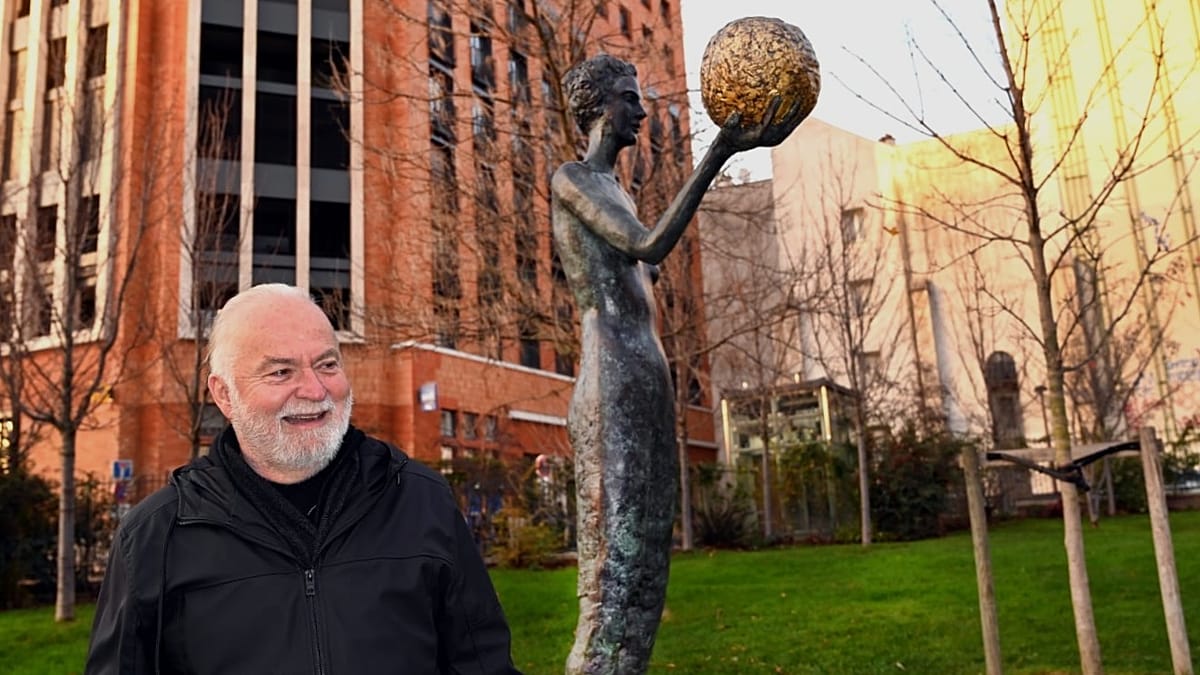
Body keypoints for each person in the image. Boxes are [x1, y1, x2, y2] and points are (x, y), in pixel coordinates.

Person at [85, 284, 520, 674]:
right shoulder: (154, 538)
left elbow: (483, 664)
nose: (315, 390)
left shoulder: (422, 501)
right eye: (281, 372)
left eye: (326, 364)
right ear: (223, 395)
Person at [552, 54, 800, 673]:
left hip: (647, 374)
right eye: (630, 99)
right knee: (612, 576)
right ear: (600, 107)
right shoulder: (572, 179)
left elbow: (645, 261)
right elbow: (647, 244)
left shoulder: (616, 190)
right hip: (611, 377)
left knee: (644, 571)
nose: (640, 110)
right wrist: (720, 151)